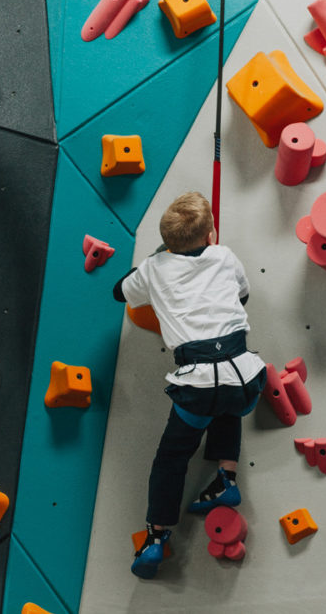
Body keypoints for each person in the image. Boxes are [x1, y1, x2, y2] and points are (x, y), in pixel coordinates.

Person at [113, 192, 266, 580]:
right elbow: (243, 295)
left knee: (173, 455)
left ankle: (157, 536)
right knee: (228, 401)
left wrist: (158, 257)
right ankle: (227, 478)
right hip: (244, 375)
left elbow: (119, 292)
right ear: (211, 234)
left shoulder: (154, 268)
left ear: (167, 242)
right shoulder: (225, 255)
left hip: (196, 383)